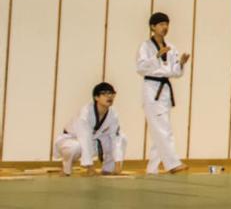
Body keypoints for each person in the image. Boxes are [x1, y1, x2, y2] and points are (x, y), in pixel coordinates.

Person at [136, 12, 190, 175]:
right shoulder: (145, 47)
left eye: (166, 24)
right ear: (152, 27)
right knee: (163, 129)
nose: (164, 27)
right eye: (161, 24)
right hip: (152, 88)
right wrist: (156, 56)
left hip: (165, 89)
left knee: (159, 130)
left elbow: (175, 73)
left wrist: (181, 64)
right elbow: (140, 68)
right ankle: (172, 163)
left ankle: (152, 169)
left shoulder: (172, 47)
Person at [53, 82, 127, 177]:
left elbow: (115, 138)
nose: (109, 96)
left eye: (111, 93)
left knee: (122, 137)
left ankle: (108, 169)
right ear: (96, 97)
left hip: (93, 140)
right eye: (105, 93)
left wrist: (118, 164)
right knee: (75, 147)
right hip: (70, 140)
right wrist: (90, 168)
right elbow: (84, 139)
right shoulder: (85, 113)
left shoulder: (113, 114)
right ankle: (66, 169)